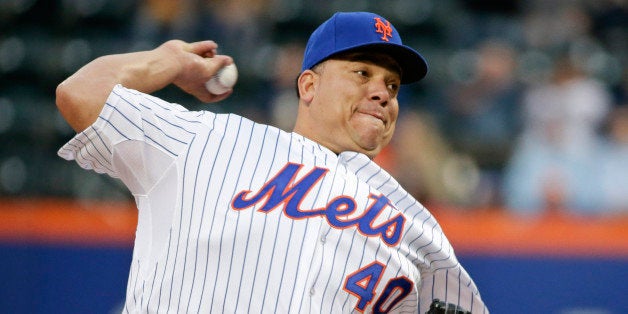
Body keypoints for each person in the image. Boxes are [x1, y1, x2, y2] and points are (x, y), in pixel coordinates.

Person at [56, 11, 488, 313]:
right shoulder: (210, 140)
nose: (382, 92)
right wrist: (169, 62)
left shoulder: (416, 226)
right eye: (362, 73)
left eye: (392, 85)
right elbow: (81, 93)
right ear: (308, 86)